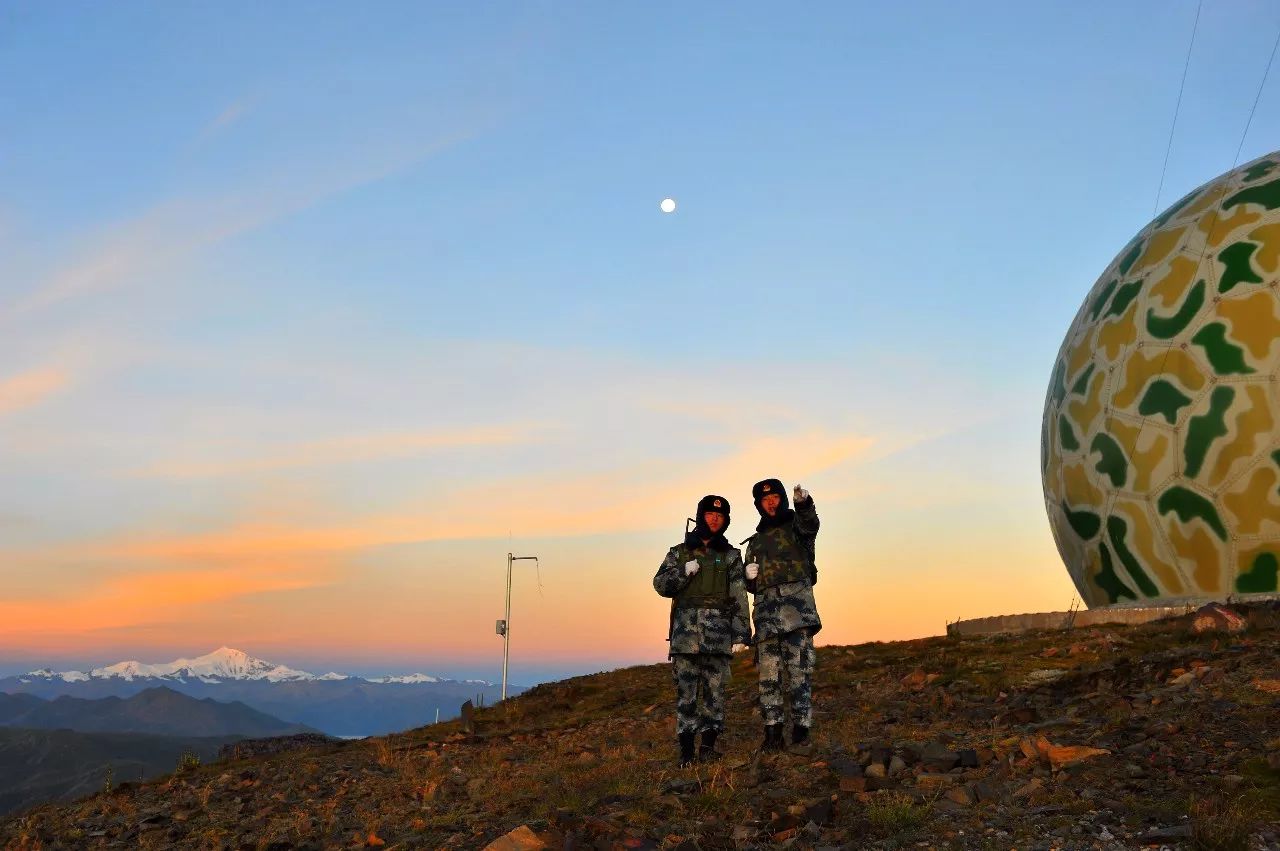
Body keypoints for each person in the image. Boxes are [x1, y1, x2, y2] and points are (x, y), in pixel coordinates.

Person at [653, 494, 752, 767]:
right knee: (686, 696)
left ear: (726, 521)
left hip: (719, 638)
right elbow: (660, 585)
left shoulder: (731, 556)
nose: (715, 518)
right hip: (685, 638)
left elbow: (739, 595)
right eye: (709, 514)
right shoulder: (679, 552)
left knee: (714, 695)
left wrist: (742, 633)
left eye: (720, 516)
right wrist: (683, 572)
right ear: (700, 516)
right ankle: (686, 753)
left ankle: (707, 748)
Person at [743, 479, 821, 752]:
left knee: (800, 674)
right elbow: (750, 585)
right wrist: (747, 578)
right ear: (758, 505)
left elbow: (811, 525)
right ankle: (773, 733)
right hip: (766, 621)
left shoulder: (797, 528)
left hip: (797, 615)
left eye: (775, 496)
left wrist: (804, 504)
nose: (771, 502)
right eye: (765, 499)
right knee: (769, 678)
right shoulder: (753, 543)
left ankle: (801, 732)